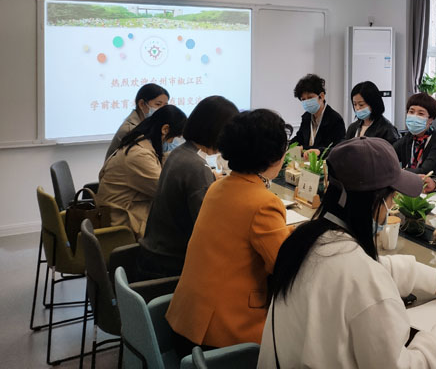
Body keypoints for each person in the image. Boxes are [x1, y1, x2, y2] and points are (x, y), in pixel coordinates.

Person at [258, 137, 436, 369]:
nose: (391, 206)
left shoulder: (306, 241)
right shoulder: (364, 280)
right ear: (376, 201)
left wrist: (426, 277)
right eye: (392, 198)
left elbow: (352, 270)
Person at [166, 109, 292, 354]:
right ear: (273, 156)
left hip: (187, 321)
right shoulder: (264, 203)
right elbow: (285, 267)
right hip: (223, 337)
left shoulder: (218, 187)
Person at [138, 95, 239, 278]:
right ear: (218, 132)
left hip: (154, 256)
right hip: (172, 266)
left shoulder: (180, 153)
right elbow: (208, 231)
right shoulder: (196, 166)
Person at [96, 105, 186, 239]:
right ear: (165, 129)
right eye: (174, 137)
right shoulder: (139, 155)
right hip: (123, 225)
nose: (173, 142)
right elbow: (165, 192)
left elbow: (161, 163)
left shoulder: (141, 145)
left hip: (130, 214)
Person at [392, 93, 436, 176]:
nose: (414, 116)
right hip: (410, 180)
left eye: (421, 113)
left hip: (434, 182)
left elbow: (425, 171)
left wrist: (400, 171)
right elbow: (389, 154)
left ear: (431, 119)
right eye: (411, 112)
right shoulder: (410, 137)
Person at [105, 83, 169, 160]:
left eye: (165, 105)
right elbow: (146, 158)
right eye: (158, 104)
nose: (163, 109)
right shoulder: (130, 129)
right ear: (141, 104)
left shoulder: (151, 124)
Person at [289, 73, 345, 157]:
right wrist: (287, 145)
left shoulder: (335, 119)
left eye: (310, 97)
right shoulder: (306, 117)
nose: (306, 102)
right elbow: (299, 138)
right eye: (303, 99)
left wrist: (305, 148)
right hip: (305, 161)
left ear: (321, 96)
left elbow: (337, 149)